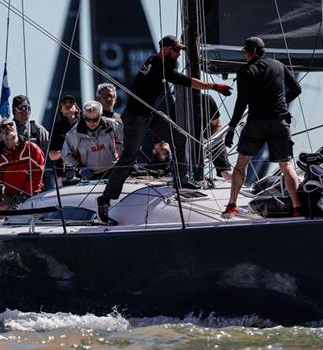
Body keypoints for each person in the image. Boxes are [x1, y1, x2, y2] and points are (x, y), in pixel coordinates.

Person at [96, 35, 233, 221]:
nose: (178, 55)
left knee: (180, 138)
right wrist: (215, 86)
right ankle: (104, 200)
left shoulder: (157, 62)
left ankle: (181, 180)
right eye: (176, 51)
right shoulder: (158, 66)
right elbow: (186, 81)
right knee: (129, 157)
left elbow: (175, 72)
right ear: (166, 49)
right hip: (136, 118)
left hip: (151, 114)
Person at [222, 37, 303, 218]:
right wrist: (280, 104)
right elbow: (296, 89)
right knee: (286, 165)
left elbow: (241, 102)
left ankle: (232, 205)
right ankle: (298, 207)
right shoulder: (278, 65)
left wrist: (231, 127)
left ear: (248, 52)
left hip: (256, 122)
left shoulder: (245, 70)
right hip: (279, 122)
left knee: (241, 164)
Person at [0, 95, 53, 189]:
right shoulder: (5, 129)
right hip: (11, 183)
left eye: (27, 108)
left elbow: (51, 152)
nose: (25, 111)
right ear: (14, 111)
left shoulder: (38, 130)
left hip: (35, 180)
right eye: (21, 108)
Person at [0, 118, 45, 207]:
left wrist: (22, 196)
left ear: (16, 129)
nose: (8, 127)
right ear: (0, 135)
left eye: (11, 124)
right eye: (4, 126)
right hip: (10, 197)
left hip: (34, 195)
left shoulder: (31, 149)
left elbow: (38, 173)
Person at [61, 100, 122, 180]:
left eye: (95, 120)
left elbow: (124, 143)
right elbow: (66, 155)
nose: (91, 123)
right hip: (89, 176)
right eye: (88, 119)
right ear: (83, 116)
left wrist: (125, 163)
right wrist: (81, 170)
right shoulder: (73, 134)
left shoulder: (113, 125)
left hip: (113, 171)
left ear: (101, 115)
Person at [200, 93, 233, 180]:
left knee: (227, 174)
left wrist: (208, 142)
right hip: (184, 141)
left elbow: (216, 125)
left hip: (210, 138)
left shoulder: (206, 99)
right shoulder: (173, 102)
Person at [49, 95, 81, 180]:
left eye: (71, 102)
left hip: (84, 172)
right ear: (61, 109)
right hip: (62, 174)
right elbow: (51, 155)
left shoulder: (84, 125)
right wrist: (65, 153)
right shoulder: (56, 128)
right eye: (64, 103)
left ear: (77, 109)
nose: (68, 104)